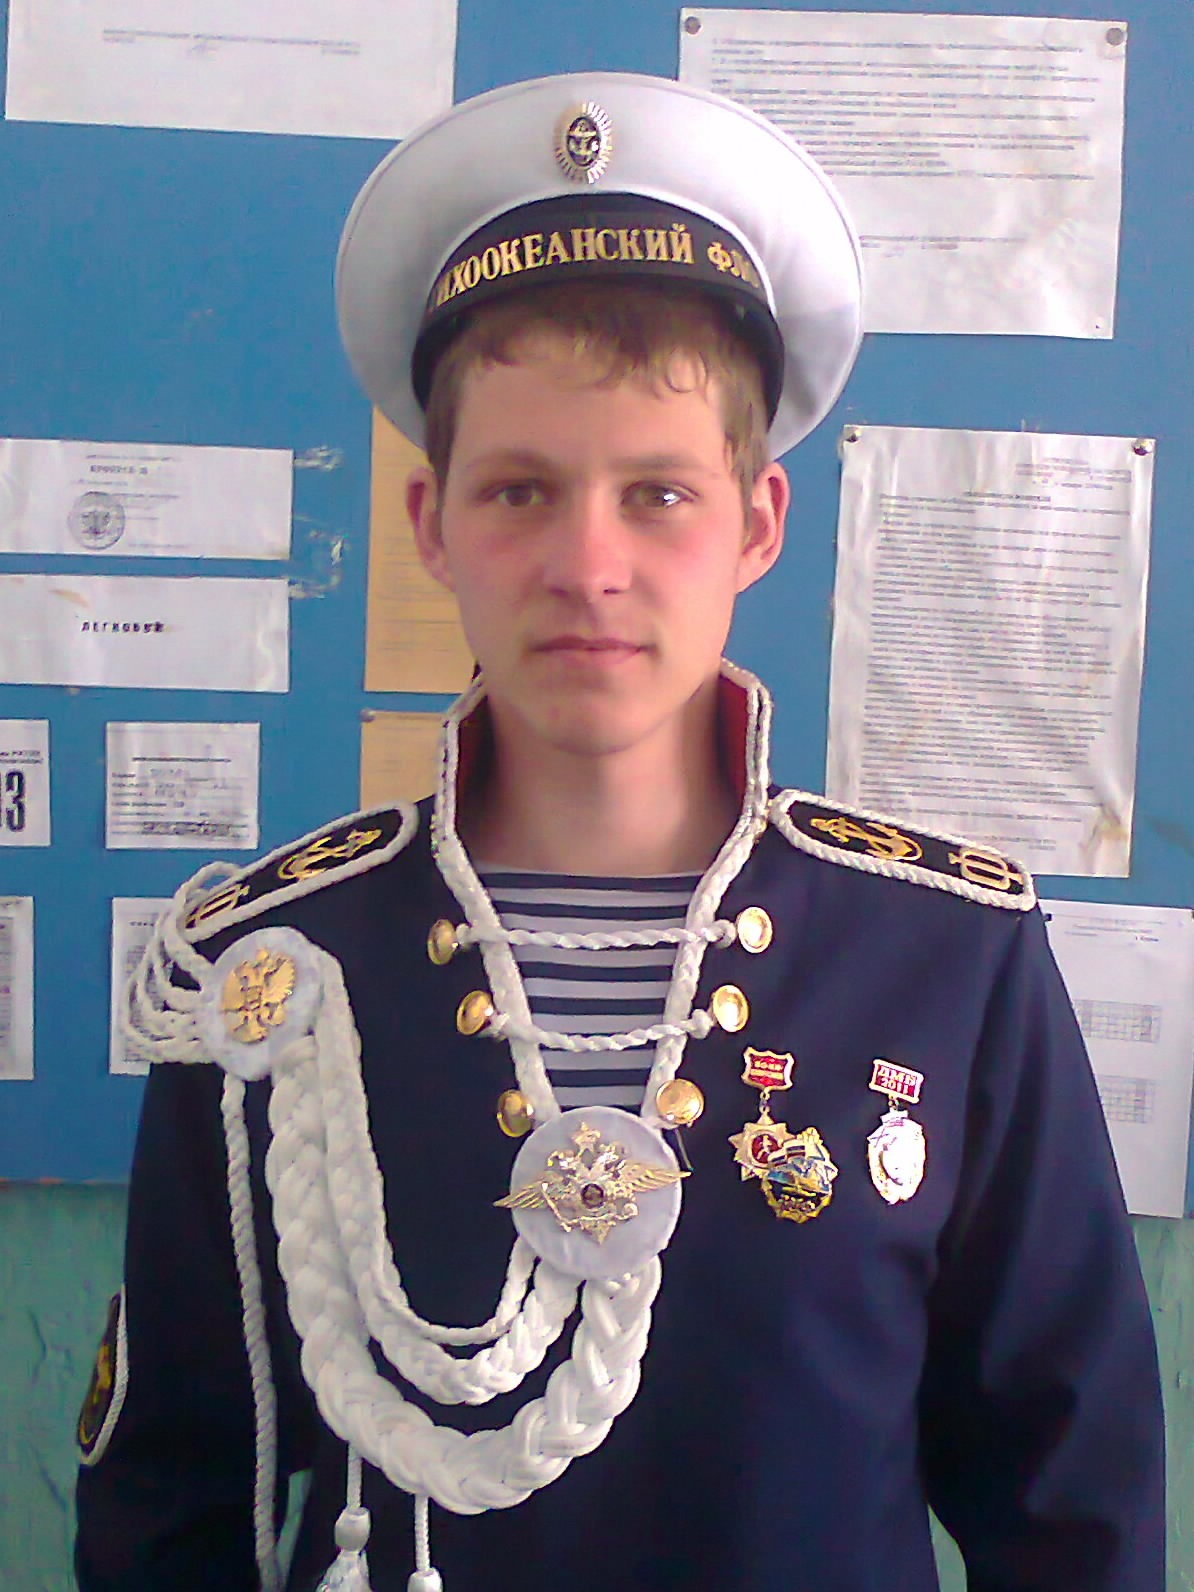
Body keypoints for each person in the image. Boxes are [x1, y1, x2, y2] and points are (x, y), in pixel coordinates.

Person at [74, 72, 1165, 1592]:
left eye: (657, 494)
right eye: (520, 491)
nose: (588, 564)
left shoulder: (948, 962)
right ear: (433, 525)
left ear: (757, 526)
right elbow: (169, 1498)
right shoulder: (269, 978)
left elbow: (1075, 1505)